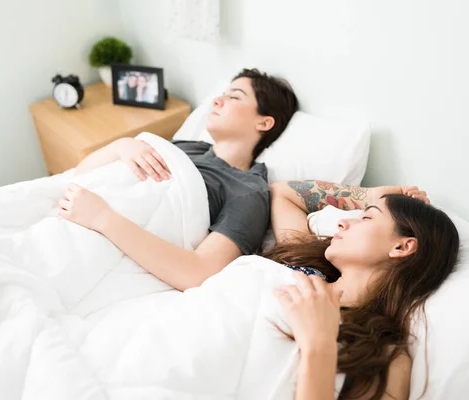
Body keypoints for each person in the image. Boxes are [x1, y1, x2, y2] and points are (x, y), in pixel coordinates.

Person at [58, 68, 299, 291]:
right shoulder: (187, 147)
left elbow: (198, 272)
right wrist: (122, 145)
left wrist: (103, 218)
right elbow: (81, 173)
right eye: (222, 94)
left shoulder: (249, 189)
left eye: (235, 97)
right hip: (74, 211)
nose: (217, 100)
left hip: (99, 232)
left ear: (264, 122)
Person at [266, 181, 460, 399]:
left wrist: (319, 346)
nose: (341, 222)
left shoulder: (384, 355)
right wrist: (370, 196)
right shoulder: (299, 265)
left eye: (366, 218)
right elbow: (283, 192)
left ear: (401, 247)